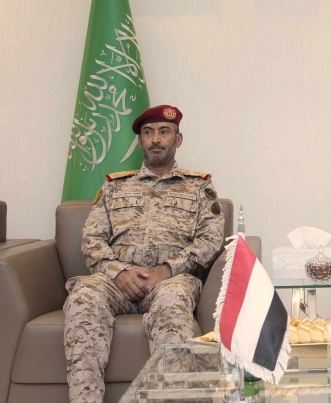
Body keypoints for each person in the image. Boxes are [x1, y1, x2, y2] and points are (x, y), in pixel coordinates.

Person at [63, 104, 224, 403]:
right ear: (140, 141)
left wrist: (166, 270)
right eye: (148, 133)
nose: (156, 139)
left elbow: (210, 240)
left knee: (173, 300)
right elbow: (92, 239)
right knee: (83, 296)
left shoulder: (199, 187)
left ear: (178, 139)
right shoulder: (114, 187)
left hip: (171, 280)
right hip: (116, 281)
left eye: (164, 132)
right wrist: (118, 273)